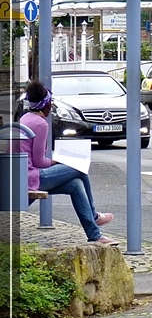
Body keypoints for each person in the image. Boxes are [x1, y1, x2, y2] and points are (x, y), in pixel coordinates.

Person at [19, 80, 117, 245]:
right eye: (50, 103)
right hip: (32, 178)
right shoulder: (40, 123)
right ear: (46, 104)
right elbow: (39, 162)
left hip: (22, 175)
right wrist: (59, 161)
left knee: (75, 185)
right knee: (79, 168)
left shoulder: (25, 118)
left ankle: (95, 235)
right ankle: (94, 216)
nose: (51, 106)